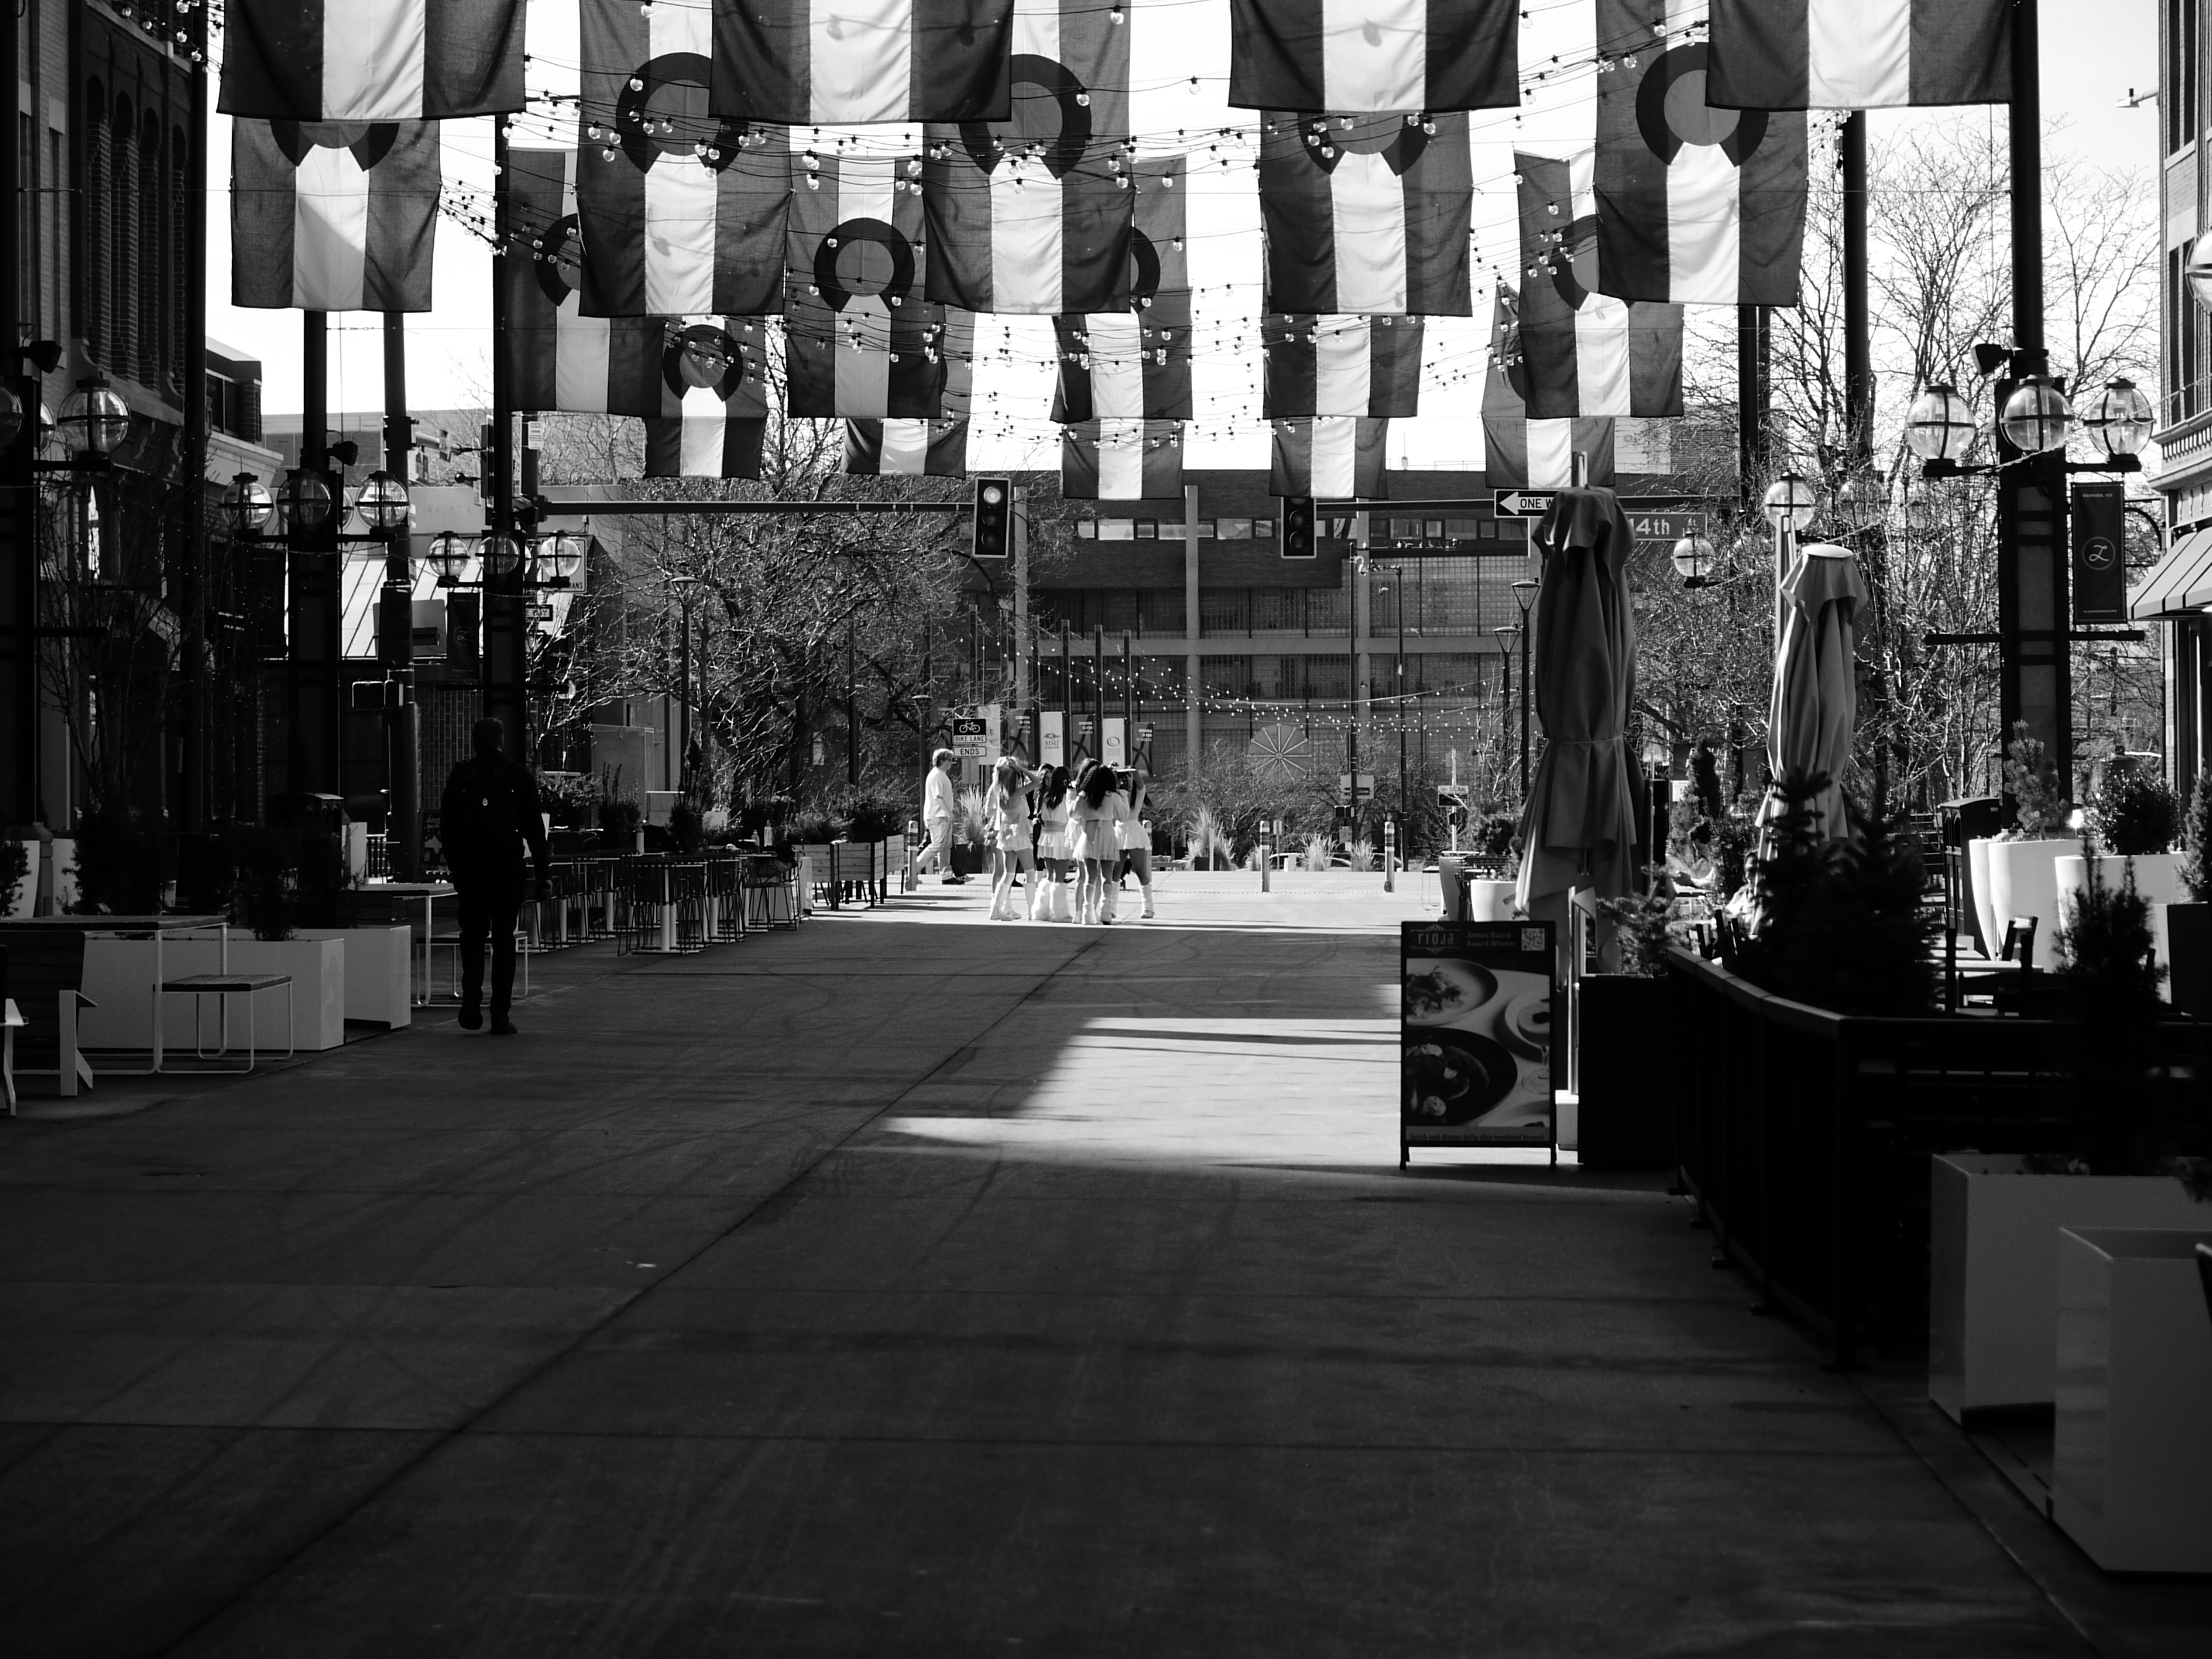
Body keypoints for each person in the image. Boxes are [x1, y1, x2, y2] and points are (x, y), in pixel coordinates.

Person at [438, 717, 550, 1035]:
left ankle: (471, 992)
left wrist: (456, 864)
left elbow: (446, 825)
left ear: (474, 742)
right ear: (502, 741)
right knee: (504, 940)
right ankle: (499, 1014)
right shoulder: (516, 775)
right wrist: (543, 873)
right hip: (507, 869)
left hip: (471, 870)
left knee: (472, 935)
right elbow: (534, 830)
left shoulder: (461, 775)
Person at [1071, 761, 1124, 924]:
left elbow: (1073, 815)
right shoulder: (1112, 796)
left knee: (1090, 876)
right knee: (1107, 876)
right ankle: (1105, 911)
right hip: (1107, 832)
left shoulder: (1084, 796)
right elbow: (1122, 815)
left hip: (1089, 834)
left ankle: (1088, 913)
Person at [985, 757, 1038, 920]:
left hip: (1006, 836)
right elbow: (1036, 781)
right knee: (1030, 873)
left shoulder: (1001, 794)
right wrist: (1021, 769)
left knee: (1008, 874)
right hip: (1020, 835)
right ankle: (1032, 911)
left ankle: (996, 909)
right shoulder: (1017, 793)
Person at [1031, 764, 1074, 920]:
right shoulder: (1067, 797)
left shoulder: (1047, 797)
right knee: (1060, 878)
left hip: (1046, 837)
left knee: (1049, 875)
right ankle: (1060, 913)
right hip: (1060, 837)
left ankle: (1041, 911)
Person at [916, 748, 965, 883]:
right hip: (938, 816)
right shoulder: (937, 775)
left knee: (945, 847)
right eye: (949, 760)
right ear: (942, 761)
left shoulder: (940, 774)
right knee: (938, 845)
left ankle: (947, 875)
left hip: (942, 816)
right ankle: (914, 869)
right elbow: (938, 797)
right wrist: (948, 813)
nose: (951, 763)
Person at [1117, 766, 1157, 920]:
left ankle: (1148, 908)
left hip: (1133, 831)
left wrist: (1130, 767)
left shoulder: (1138, 793)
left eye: (1126, 778)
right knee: (1115, 873)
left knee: (1141, 872)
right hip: (1119, 832)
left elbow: (1140, 783)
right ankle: (1109, 907)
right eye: (1121, 778)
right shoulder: (1115, 794)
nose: (1123, 781)